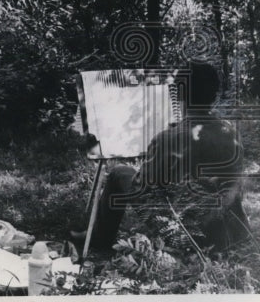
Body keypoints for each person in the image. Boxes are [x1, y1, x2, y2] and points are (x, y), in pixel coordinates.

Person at [79, 60, 251, 255]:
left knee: (120, 173)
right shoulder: (229, 131)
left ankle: (98, 242)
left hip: (189, 237)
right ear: (214, 94)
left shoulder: (168, 138)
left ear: (178, 93)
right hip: (232, 233)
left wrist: (157, 150)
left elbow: (143, 185)